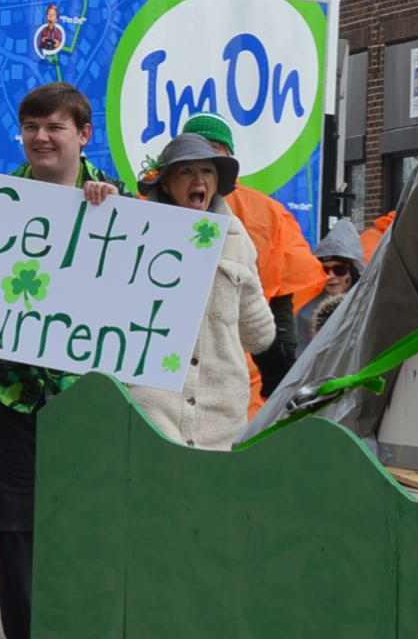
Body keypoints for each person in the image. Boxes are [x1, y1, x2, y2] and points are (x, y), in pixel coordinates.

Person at [0, 80, 99, 639]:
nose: (41, 137)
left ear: (83, 135)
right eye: (31, 126)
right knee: (14, 532)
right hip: (8, 394)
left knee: (82, 534)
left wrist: (111, 212)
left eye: (55, 127)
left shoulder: (122, 209)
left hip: (88, 400)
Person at [114, 132, 273, 450]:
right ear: (166, 184)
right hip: (152, 412)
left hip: (222, 418)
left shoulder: (237, 238)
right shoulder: (135, 231)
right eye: (186, 171)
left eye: (207, 171)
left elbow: (260, 335)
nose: (198, 179)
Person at [173, 112, 320, 407]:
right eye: (196, 150)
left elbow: (279, 298)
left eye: (214, 149)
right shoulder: (153, 209)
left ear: (227, 157)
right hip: (170, 365)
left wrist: (281, 369)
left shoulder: (268, 214)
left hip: (238, 366)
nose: (204, 158)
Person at [298, 217, 367, 348]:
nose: (331, 276)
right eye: (324, 270)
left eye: (339, 270)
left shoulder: (367, 304)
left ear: (352, 272)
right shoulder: (305, 312)